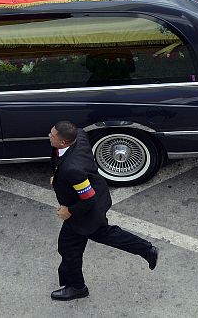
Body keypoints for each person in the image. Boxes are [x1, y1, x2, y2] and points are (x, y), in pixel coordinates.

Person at [49, 121, 158, 301]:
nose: (49, 136)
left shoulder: (72, 169)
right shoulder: (80, 136)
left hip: (85, 212)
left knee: (68, 248)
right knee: (104, 234)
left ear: (63, 142)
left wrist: (69, 211)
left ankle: (77, 287)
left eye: (52, 135)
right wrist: (56, 175)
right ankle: (147, 250)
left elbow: (88, 198)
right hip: (97, 200)